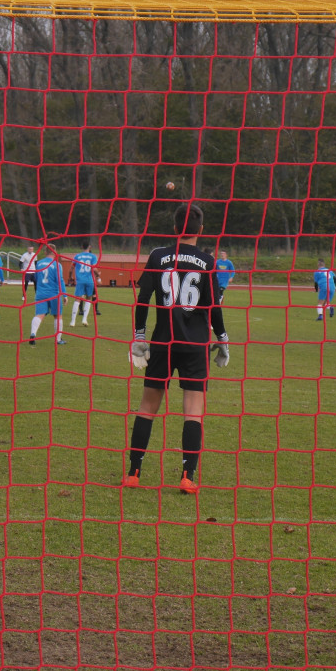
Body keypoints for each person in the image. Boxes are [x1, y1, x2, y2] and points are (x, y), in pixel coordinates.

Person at [124, 204, 230, 496]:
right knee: (193, 413)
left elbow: (143, 298)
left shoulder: (158, 256)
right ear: (201, 230)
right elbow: (213, 306)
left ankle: (133, 473)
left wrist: (139, 336)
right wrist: (222, 337)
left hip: (163, 342)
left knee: (147, 408)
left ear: (174, 229)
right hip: (195, 346)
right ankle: (187, 476)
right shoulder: (208, 261)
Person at [28, 243, 67, 346]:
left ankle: (33, 334)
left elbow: (36, 278)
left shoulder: (39, 263)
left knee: (39, 315)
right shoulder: (57, 265)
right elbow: (60, 280)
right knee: (58, 316)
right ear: (55, 253)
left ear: (45, 252)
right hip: (54, 294)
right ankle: (58, 339)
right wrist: (65, 295)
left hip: (40, 294)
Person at [69, 241, 100, 327]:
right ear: (89, 247)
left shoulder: (77, 256)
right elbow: (94, 269)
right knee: (88, 299)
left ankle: (73, 321)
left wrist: (70, 277)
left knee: (77, 300)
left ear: (82, 247)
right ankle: (84, 319)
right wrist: (98, 275)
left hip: (80, 281)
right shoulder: (93, 256)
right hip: (89, 281)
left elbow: (71, 268)